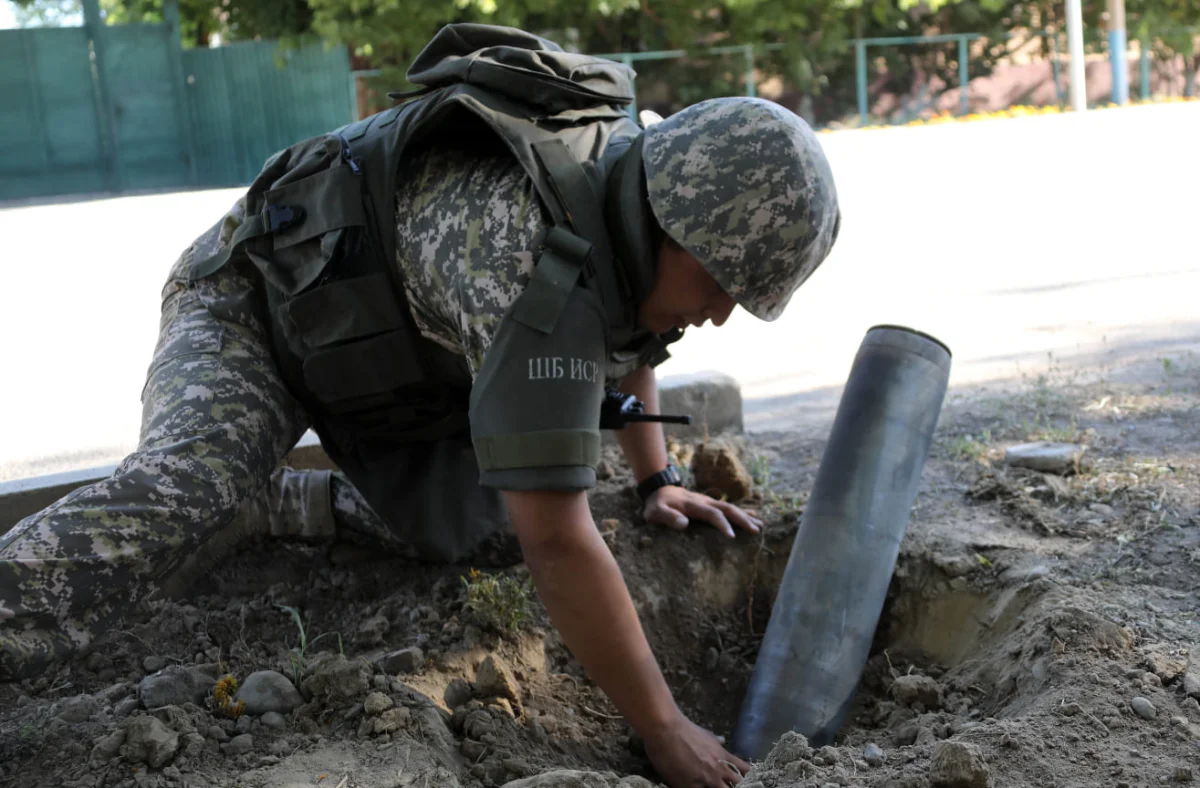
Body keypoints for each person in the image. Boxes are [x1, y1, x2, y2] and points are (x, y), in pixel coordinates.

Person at [0, 24, 839, 788]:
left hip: (392, 361)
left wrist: (657, 481)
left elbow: (631, 337)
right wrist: (663, 730)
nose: (723, 311)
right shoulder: (530, 270)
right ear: (672, 216)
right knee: (189, 485)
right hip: (251, 307)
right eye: (721, 281)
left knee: (493, 521)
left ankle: (289, 503)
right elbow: (560, 538)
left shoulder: (637, 191)